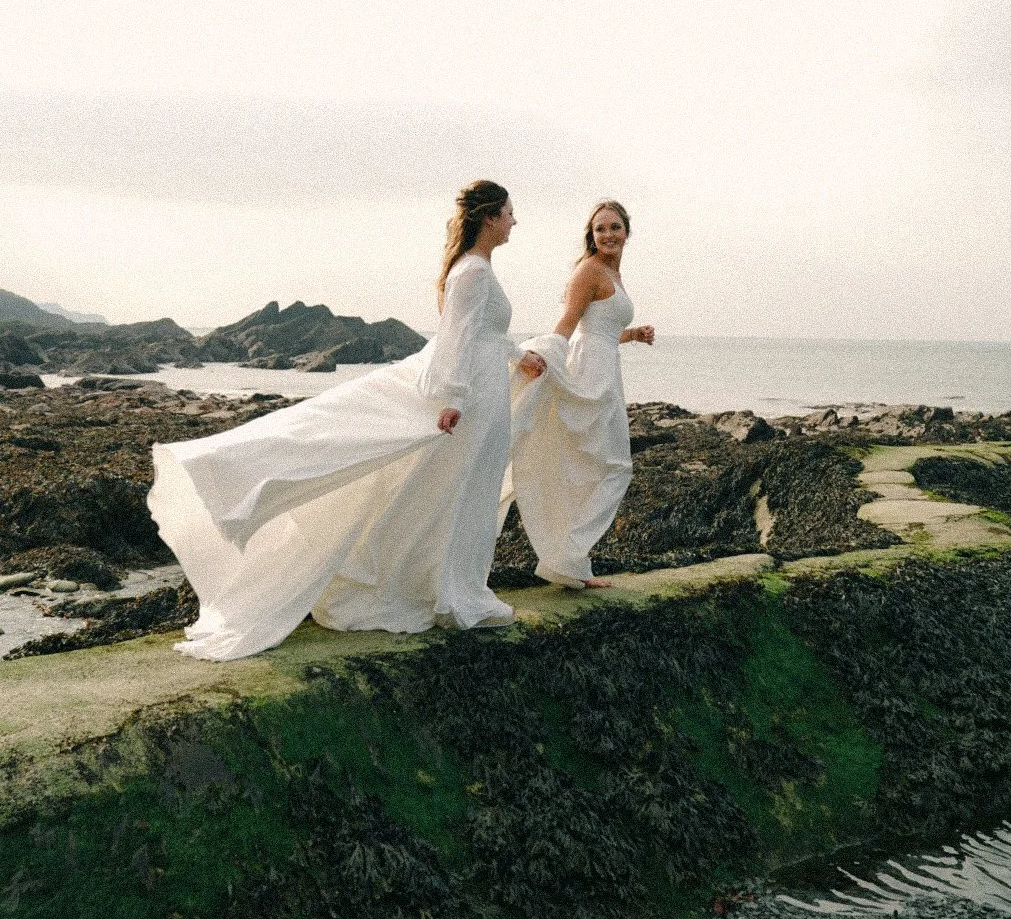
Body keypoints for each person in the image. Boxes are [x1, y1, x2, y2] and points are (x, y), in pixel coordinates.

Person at [148, 181, 545, 659]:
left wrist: (518, 355)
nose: (514, 221)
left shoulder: (477, 270)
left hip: (485, 391)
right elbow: (455, 339)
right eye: (508, 213)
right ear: (488, 217)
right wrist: (452, 397)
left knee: (464, 492)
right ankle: (446, 592)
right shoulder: (474, 272)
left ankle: (453, 588)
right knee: (460, 492)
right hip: (475, 398)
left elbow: (481, 335)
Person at [507, 199, 654, 589]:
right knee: (606, 466)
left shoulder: (612, 272)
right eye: (600, 228)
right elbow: (568, 326)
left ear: (627, 231)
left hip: (605, 366)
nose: (607, 234)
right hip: (589, 372)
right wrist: (538, 357)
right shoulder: (588, 271)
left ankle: (571, 562)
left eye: (614, 227)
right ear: (591, 235)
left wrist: (633, 335)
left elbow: (600, 329)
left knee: (598, 466)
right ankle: (568, 558)